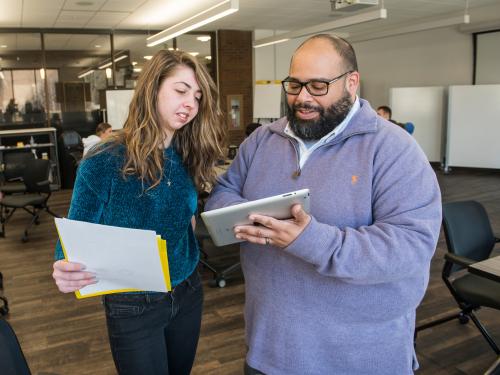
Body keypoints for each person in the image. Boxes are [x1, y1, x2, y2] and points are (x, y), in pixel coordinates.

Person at [205, 34, 441, 375]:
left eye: (318, 86)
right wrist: (253, 217)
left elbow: (410, 246)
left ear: (351, 83)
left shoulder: (394, 149)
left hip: (358, 358)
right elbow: (224, 192)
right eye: (294, 85)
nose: (302, 98)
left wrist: (309, 240)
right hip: (268, 348)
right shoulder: (261, 141)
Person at [52, 50, 226, 375]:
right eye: (181, 90)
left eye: (198, 96)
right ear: (153, 89)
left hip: (187, 290)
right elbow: (76, 232)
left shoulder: (188, 154)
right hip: (134, 303)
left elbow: (184, 221)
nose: (190, 102)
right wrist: (64, 265)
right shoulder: (105, 159)